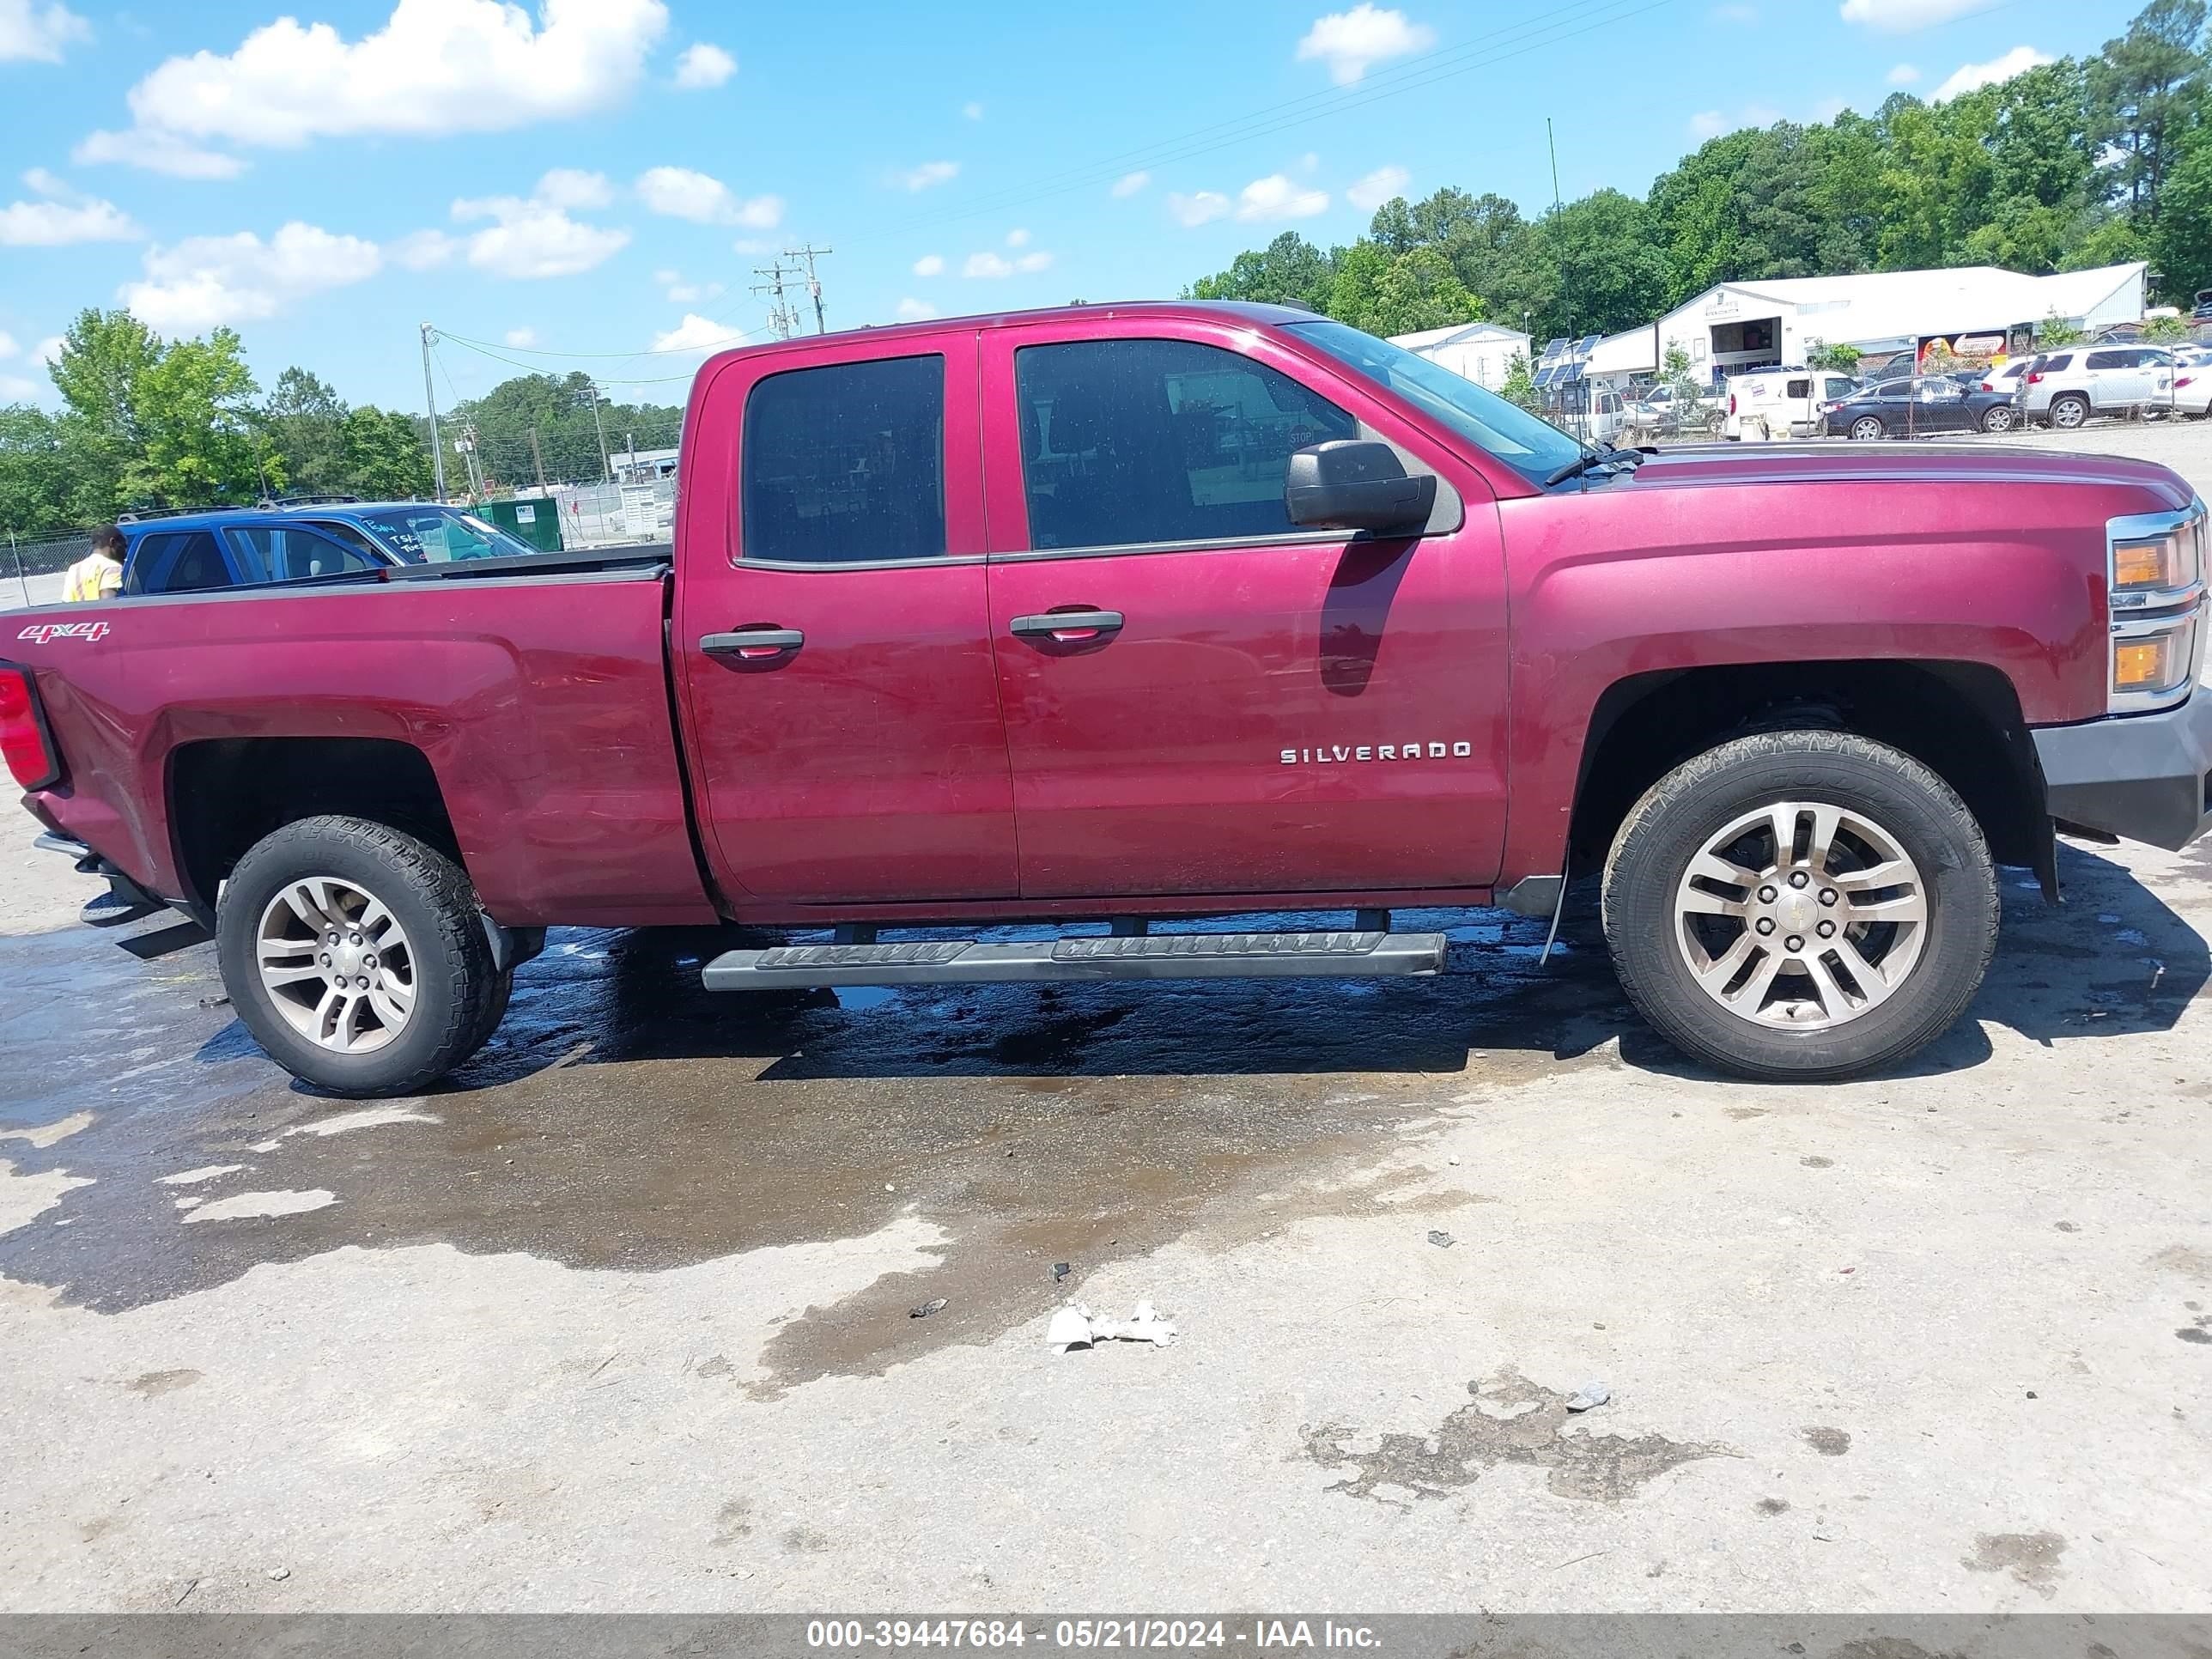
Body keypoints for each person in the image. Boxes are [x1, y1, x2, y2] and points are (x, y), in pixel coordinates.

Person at [63, 525, 125, 602]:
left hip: (79, 613)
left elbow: (66, 602)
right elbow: (108, 603)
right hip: (99, 613)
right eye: (124, 546)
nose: (125, 551)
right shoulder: (112, 567)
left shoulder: (74, 569)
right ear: (112, 542)